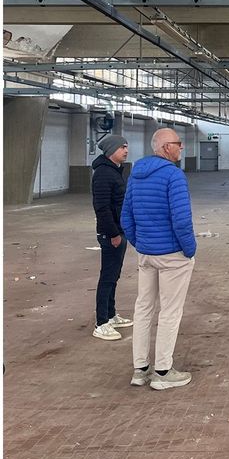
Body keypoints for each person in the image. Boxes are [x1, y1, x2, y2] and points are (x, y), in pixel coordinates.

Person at [121, 128, 197, 390]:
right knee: (170, 312)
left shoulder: (136, 174)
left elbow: (126, 216)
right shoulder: (173, 176)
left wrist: (141, 244)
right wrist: (189, 249)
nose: (181, 147)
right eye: (178, 143)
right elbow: (181, 220)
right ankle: (163, 372)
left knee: (143, 308)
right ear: (166, 147)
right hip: (172, 255)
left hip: (146, 254)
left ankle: (140, 369)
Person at [91, 134, 133, 341]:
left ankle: (110, 314)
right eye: (122, 147)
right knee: (107, 277)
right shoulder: (103, 173)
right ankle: (101, 323)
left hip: (119, 230)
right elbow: (102, 208)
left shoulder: (115, 170)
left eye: (126, 147)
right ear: (110, 150)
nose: (126, 150)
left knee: (114, 276)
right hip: (111, 234)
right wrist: (113, 234)